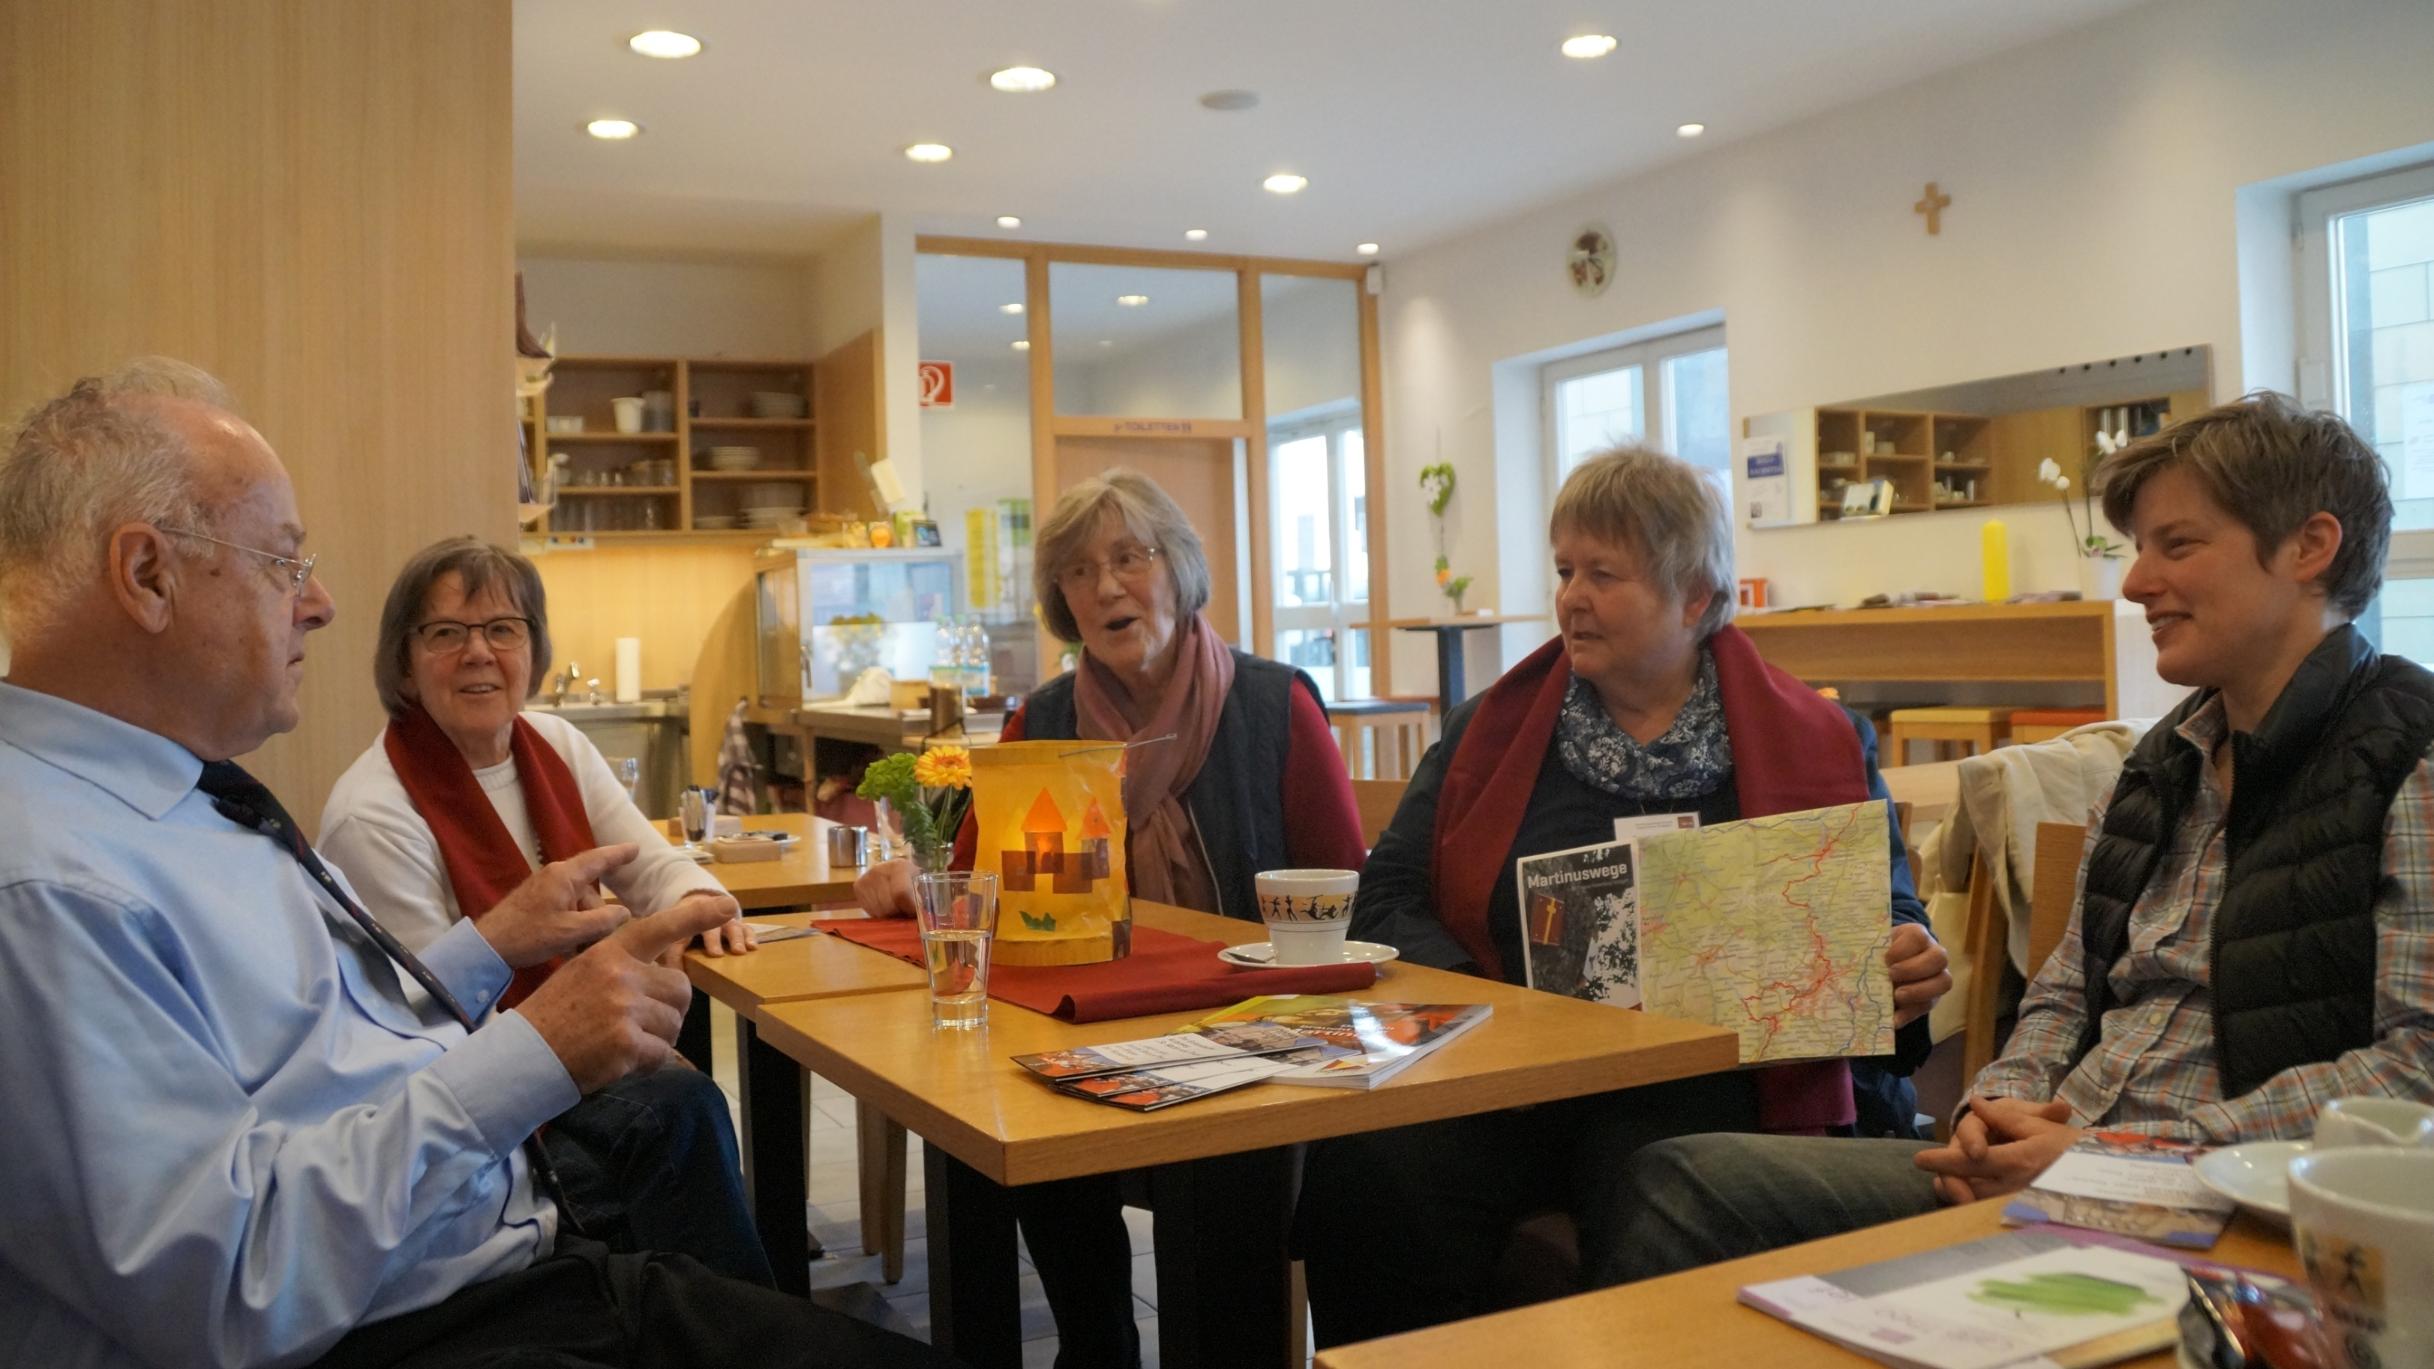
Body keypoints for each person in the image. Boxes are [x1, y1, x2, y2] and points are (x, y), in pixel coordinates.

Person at [0, 359, 954, 1369]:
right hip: (425, 1310)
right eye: (284, 563)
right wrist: (540, 1045)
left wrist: (493, 947)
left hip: (477, 1241)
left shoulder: (177, 800)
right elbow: (231, 1279)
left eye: (502, 632)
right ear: (147, 575)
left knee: (679, 1131)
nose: (317, 602)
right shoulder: (51, 885)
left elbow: (318, 1042)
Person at [1598, 392, 2434, 1282]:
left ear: (2311, 547)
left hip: (2235, 1207)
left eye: (2177, 545)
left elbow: (2417, 1071)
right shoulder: (2165, 762)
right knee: (1678, 1175)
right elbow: (2064, 990)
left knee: (1680, 1190)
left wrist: (2126, 1153)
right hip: (2053, 1170)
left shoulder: (2409, 755)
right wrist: (1995, 1105)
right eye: (2138, 548)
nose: (2136, 582)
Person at [1298, 445, 1951, 1346]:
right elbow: (1390, 897)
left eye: (1604, 573)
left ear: (1694, 597)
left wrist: (1905, 954)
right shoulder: (1490, 729)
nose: (1571, 596)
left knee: (1651, 1162)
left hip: (1723, 1083)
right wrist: (1499, 1008)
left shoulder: (1817, 735)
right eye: (1566, 569)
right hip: (1510, 1083)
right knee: (1369, 1167)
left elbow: (1889, 915)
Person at [854, 468, 1367, 1368]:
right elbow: (976, 883)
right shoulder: (1043, 721)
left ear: (1180, 569)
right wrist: (908, 879)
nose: (1105, 588)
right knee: (1008, 1103)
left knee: (1229, 1142)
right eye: (1079, 573)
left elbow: (1346, 894)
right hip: (1091, 1030)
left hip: (1256, 1033)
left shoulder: (1273, 705)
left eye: (1129, 558)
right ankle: (1098, 1344)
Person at [315, 535, 763, 1277]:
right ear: (404, 660)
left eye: (502, 629)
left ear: (534, 647)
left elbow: (653, 864)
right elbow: (431, 1024)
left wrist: (703, 901)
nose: (478, 653)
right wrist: (609, 1050)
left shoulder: (553, 741)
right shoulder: (375, 812)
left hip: (566, 1060)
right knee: (678, 1108)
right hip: (470, 1115)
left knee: (682, 1096)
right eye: (446, 633)